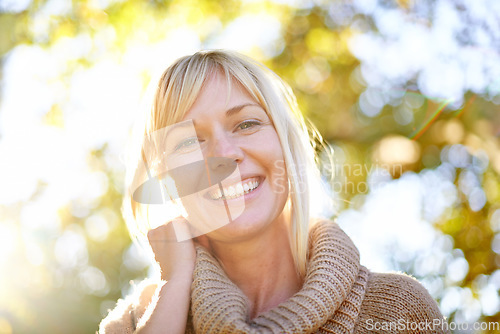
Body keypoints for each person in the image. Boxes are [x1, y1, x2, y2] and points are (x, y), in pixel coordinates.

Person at [99, 50, 449, 333]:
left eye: (246, 124)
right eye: (189, 142)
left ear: (286, 143)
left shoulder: (398, 313)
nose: (224, 154)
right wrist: (173, 286)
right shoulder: (133, 323)